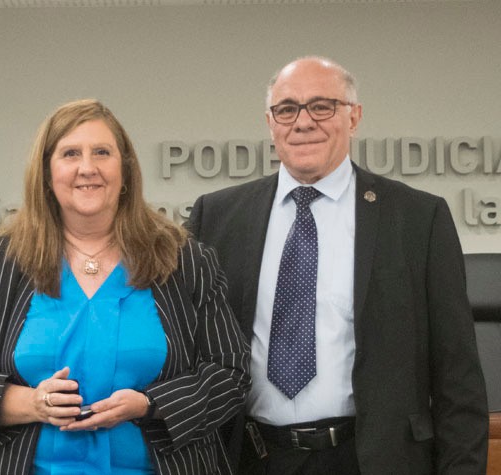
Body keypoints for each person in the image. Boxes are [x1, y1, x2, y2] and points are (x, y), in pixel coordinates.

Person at [187, 56, 488, 474]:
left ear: (354, 116)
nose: (303, 122)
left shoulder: (418, 218)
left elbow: (458, 374)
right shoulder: (217, 217)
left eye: (321, 106)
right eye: (287, 109)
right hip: (252, 458)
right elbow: (188, 351)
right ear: (270, 123)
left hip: (372, 460)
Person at [0, 99, 250, 475]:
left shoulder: (183, 259)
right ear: (46, 174)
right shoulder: (6, 260)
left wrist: (151, 405)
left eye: (102, 152)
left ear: (126, 170)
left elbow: (231, 372)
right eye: (70, 153)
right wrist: (32, 403)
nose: (87, 168)